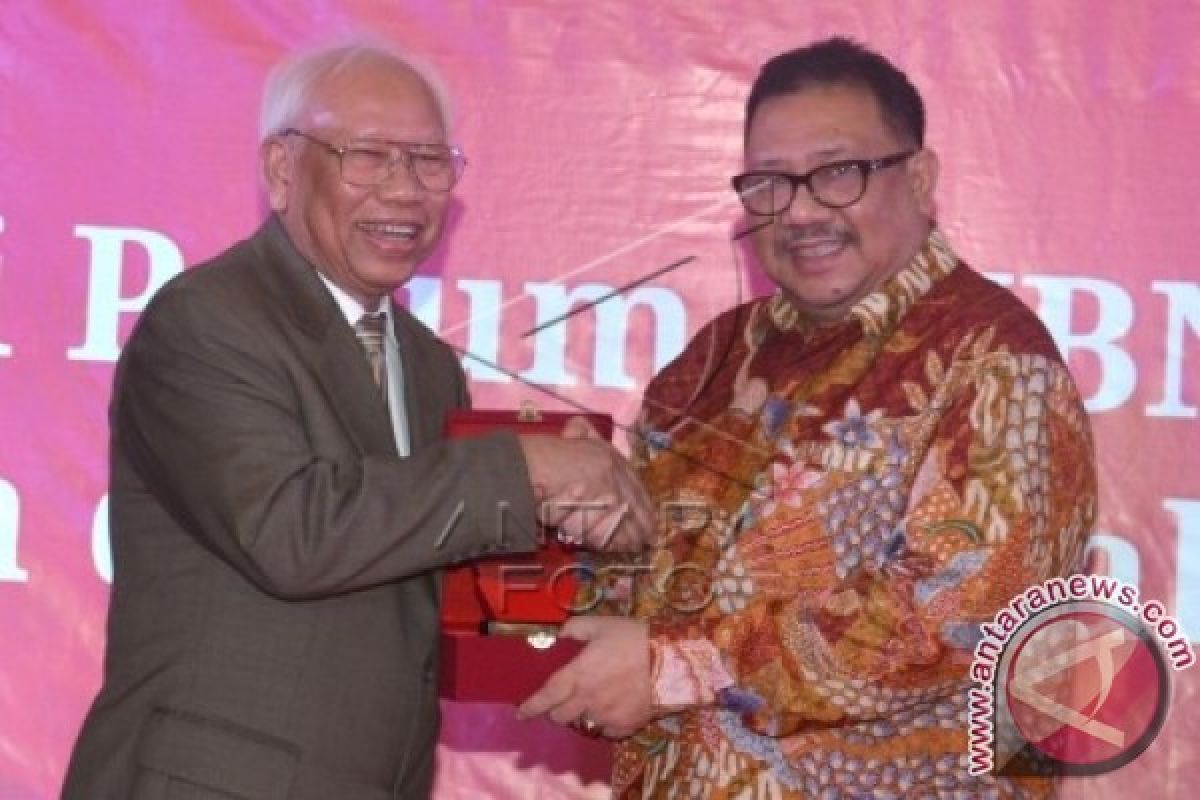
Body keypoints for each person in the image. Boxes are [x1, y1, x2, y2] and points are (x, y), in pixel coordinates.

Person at [61, 40, 653, 799]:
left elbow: (420, 548)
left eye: (429, 161)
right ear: (282, 170)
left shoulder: (427, 363)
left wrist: (578, 549)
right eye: (368, 157)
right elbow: (290, 529)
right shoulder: (207, 319)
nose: (404, 189)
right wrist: (528, 469)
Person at [519, 37, 1097, 798]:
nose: (798, 210)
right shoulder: (713, 361)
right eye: (769, 182)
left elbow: (956, 618)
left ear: (920, 179)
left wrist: (675, 668)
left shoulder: (994, 360)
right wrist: (583, 525)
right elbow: (656, 594)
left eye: (837, 173)